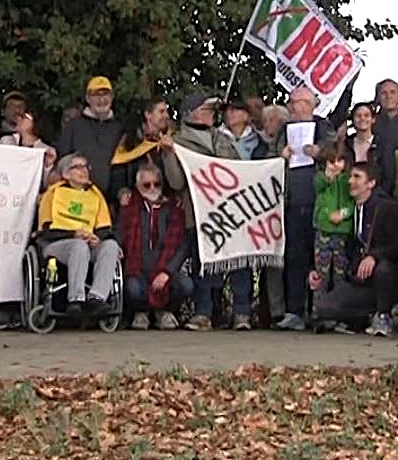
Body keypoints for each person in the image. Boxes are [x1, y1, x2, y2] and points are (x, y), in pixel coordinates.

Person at [163, 93, 251, 330]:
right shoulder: (178, 143)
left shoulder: (222, 139)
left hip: (231, 213)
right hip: (199, 215)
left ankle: (242, 313)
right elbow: (176, 182)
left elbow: (241, 171)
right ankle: (204, 313)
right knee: (203, 265)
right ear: (192, 114)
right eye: (207, 109)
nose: (213, 114)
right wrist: (169, 155)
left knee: (238, 261)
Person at [274, 84, 348, 331]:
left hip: (320, 205)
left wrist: (319, 152)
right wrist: (280, 155)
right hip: (291, 202)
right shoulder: (283, 130)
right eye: (291, 102)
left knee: (323, 260)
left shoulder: (323, 126)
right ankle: (295, 311)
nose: (293, 107)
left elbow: (337, 154)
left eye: (298, 102)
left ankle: (326, 311)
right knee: (295, 257)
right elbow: (270, 156)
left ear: (310, 105)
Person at [325, 162, 398, 337]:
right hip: (362, 279)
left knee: (383, 269)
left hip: (389, 276)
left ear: (371, 183)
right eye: (350, 176)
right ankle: (367, 316)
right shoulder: (351, 210)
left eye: (357, 177)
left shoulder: (388, 208)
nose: (350, 181)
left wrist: (374, 256)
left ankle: (385, 315)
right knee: (325, 307)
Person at [38, 153, 122, 314]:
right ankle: (75, 299)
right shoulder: (53, 194)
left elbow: (104, 227)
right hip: (57, 244)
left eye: (85, 166)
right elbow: (46, 230)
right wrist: (74, 234)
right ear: (66, 174)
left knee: (111, 246)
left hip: (87, 243)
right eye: (77, 167)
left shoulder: (95, 195)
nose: (84, 170)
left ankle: (97, 298)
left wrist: (97, 238)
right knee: (79, 245)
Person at [118, 164, 192, 330]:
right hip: (137, 270)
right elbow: (119, 233)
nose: (152, 188)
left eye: (156, 184)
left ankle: (163, 311)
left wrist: (167, 272)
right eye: (146, 185)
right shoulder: (129, 207)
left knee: (186, 285)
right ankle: (141, 312)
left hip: (165, 270)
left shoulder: (174, 208)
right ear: (137, 186)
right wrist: (116, 246)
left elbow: (182, 246)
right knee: (132, 289)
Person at [56, 76, 123, 195]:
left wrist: (121, 191)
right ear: (87, 98)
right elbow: (63, 161)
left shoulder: (119, 129)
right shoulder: (74, 126)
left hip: (111, 200)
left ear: (112, 97)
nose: (101, 99)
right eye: (96, 95)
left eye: (105, 94)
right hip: (78, 196)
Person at [309, 146, 354, 323]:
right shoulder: (320, 178)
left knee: (340, 274)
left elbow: (352, 203)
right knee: (321, 274)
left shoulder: (348, 180)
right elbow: (318, 186)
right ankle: (318, 313)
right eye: (331, 161)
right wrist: (328, 176)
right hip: (323, 231)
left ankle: (339, 314)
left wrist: (342, 214)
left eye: (339, 161)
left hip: (342, 233)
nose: (335, 165)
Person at [109, 99, 175, 206]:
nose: (166, 116)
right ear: (148, 114)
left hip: (166, 204)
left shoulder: (172, 139)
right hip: (136, 205)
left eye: (166, 112)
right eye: (161, 112)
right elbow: (119, 169)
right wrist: (122, 192)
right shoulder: (131, 139)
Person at [344, 101, 396, 196]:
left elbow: (389, 178)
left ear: (373, 119)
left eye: (366, 115)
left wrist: (377, 197)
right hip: (347, 194)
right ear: (353, 120)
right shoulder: (345, 144)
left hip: (376, 197)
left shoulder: (384, 146)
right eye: (358, 116)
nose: (362, 118)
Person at [372, 78, 398, 154]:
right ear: (377, 98)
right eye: (384, 93)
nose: (388, 96)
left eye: (392, 92)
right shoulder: (370, 123)